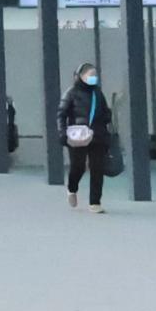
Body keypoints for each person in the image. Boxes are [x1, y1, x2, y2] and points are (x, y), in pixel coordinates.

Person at [58, 62, 115, 213]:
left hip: (97, 135)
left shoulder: (98, 93)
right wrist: (62, 133)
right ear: (81, 76)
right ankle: (72, 188)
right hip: (78, 136)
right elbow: (61, 114)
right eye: (91, 75)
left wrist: (106, 119)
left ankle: (95, 202)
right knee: (78, 166)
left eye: (95, 75)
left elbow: (106, 111)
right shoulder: (71, 93)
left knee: (97, 168)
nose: (93, 78)